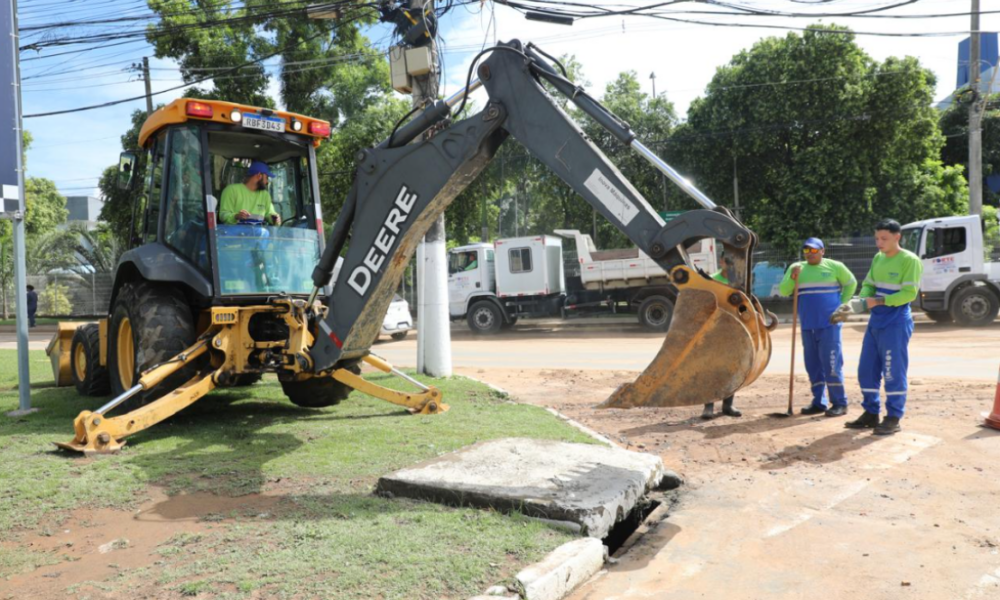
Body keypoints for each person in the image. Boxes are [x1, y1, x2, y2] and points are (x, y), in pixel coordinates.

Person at [845, 219, 923, 436]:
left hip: (895, 322)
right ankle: (871, 413)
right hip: (876, 321)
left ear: (897, 237)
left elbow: (909, 294)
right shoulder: (878, 258)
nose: (879, 243)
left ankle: (893, 417)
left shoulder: (910, 260)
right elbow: (869, 284)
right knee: (867, 370)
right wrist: (862, 299)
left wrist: (877, 302)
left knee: (892, 371)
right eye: (877, 238)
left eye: (884, 239)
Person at [778, 238, 857, 417]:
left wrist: (842, 304)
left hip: (830, 324)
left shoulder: (835, 266)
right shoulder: (796, 268)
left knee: (831, 363)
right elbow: (784, 291)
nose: (809, 253)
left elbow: (851, 283)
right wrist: (792, 278)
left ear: (822, 251)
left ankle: (839, 403)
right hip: (808, 325)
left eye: (813, 250)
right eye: (806, 250)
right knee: (812, 365)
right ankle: (818, 402)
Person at [701, 265, 741, 419]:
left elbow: (744, 305)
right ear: (722, 261)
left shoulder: (739, 281)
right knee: (710, 368)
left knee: (731, 368)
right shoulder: (712, 280)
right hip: (714, 329)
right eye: (728, 260)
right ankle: (708, 406)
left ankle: (728, 405)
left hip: (734, 329)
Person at [218, 161, 281, 225]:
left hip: (258, 233)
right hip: (235, 233)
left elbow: (270, 213)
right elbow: (223, 215)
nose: (267, 182)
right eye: (266, 178)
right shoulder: (231, 190)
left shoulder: (265, 195)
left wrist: (275, 218)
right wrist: (236, 216)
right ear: (259, 175)